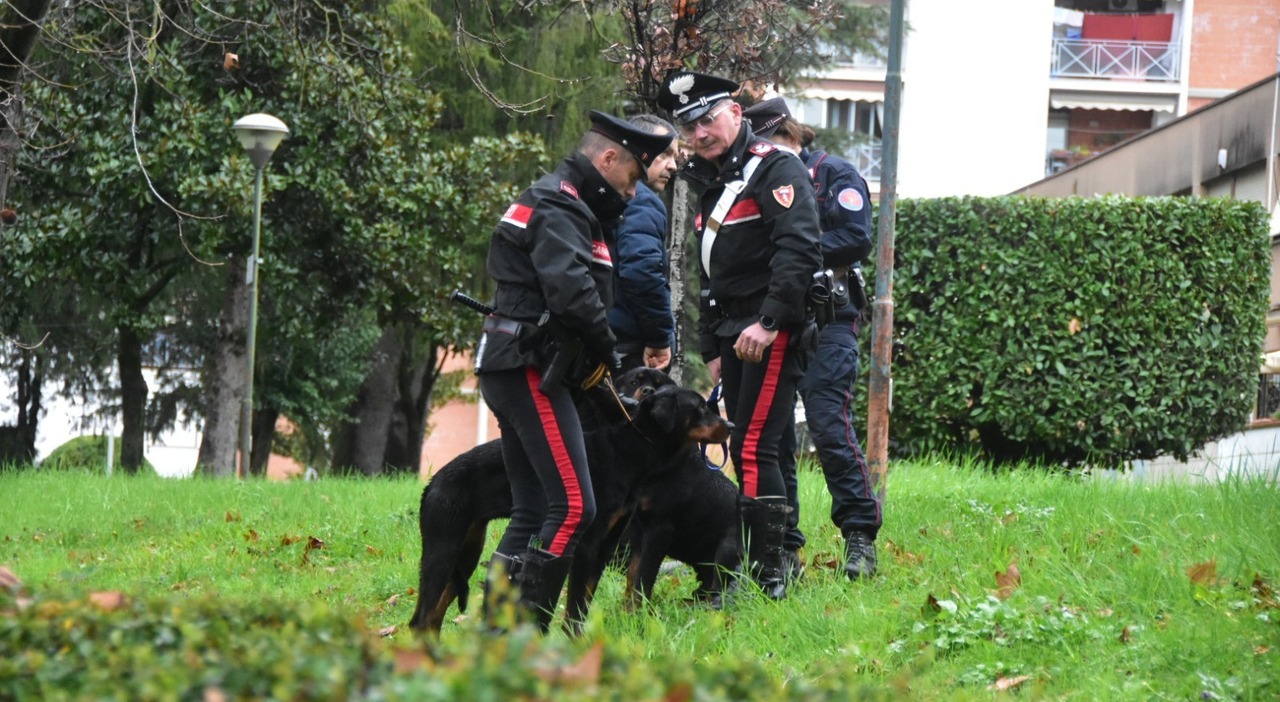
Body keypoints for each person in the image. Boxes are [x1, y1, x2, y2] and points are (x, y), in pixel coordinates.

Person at [474, 111, 675, 630]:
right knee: (573, 507)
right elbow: (572, 292)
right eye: (634, 176)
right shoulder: (560, 203)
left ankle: (495, 632)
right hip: (530, 366)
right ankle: (524, 636)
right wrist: (610, 354)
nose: (635, 192)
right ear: (609, 158)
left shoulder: (571, 200)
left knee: (534, 506)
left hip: (516, 363)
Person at [657, 71, 822, 600]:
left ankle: (768, 572)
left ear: (734, 111)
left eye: (707, 118)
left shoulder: (775, 166)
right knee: (753, 446)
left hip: (767, 328)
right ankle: (766, 568)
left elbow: (800, 252)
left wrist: (770, 322)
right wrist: (713, 347)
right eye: (689, 125)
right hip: (734, 330)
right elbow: (711, 273)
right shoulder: (712, 177)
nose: (700, 132)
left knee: (753, 447)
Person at [742, 96, 881, 580]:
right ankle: (783, 546)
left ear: (785, 135)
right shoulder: (756, 181)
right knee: (773, 436)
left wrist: (795, 249)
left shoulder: (834, 174)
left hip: (832, 315)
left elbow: (858, 236)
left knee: (827, 423)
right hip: (778, 320)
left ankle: (860, 537)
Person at [608, 115, 681, 372]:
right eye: (664, 154)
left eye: (676, 157)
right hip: (628, 350)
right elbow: (641, 272)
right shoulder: (641, 200)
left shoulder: (604, 197)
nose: (673, 166)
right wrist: (660, 337)